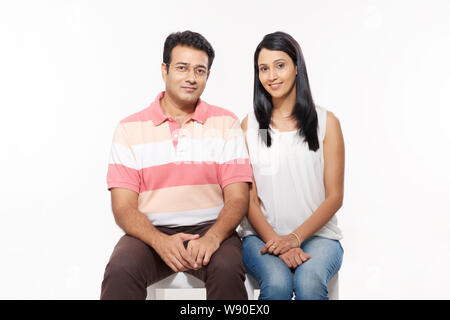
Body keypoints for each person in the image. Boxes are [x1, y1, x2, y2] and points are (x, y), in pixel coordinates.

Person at [101, 30, 253, 300]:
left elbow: (238, 197)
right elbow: (122, 207)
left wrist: (213, 237)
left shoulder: (226, 123)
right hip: (149, 232)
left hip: (212, 228)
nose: (191, 78)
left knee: (228, 270)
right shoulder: (129, 129)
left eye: (200, 70)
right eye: (182, 68)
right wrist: (159, 240)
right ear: (165, 70)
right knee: (121, 270)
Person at [238, 31, 344, 300]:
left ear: (297, 67)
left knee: (309, 284)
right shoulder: (251, 127)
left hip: (320, 238)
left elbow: (335, 196)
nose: (271, 75)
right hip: (260, 237)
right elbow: (248, 199)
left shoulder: (326, 122)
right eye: (263, 68)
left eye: (280, 65)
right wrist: (278, 241)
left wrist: (295, 238)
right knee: (277, 284)